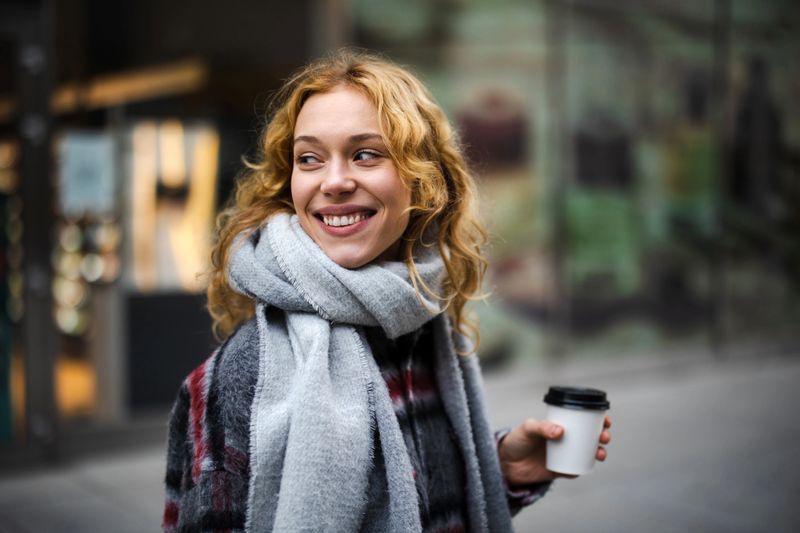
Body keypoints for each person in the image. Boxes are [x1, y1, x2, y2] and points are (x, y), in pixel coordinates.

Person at [162, 49, 611, 532]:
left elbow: (425, 507)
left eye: (365, 154)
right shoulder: (243, 373)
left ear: (422, 180)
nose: (333, 182)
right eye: (309, 158)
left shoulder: (423, 321)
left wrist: (502, 469)